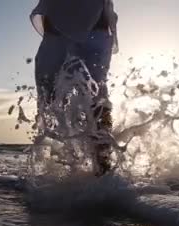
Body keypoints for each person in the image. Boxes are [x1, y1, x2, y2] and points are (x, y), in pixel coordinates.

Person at [30, 0, 119, 175]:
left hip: (90, 27)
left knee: (97, 98)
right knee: (50, 101)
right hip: (61, 30)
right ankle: (61, 167)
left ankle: (102, 168)